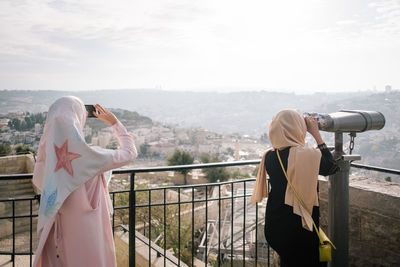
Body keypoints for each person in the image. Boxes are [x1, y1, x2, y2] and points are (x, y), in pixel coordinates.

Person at [33, 96, 137, 267]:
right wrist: (114, 123)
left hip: (59, 229)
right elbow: (130, 152)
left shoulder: (49, 160)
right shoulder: (92, 158)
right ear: (78, 119)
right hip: (89, 231)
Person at [251, 109, 338, 267]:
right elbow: (331, 167)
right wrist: (316, 134)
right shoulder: (306, 155)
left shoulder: (269, 156)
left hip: (275, 225)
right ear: (297, 129)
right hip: (298, 227)